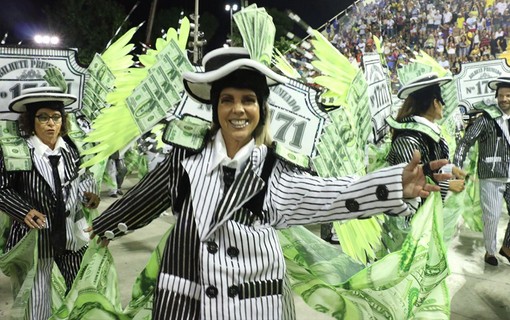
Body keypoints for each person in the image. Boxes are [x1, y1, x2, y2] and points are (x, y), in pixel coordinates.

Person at [88, 47, 449, 319]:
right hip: (185, 301)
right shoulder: (185, 158)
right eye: (227, 100)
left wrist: (391, 185)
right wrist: (98, 228)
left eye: (248, 100)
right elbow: (141, 200)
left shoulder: (272, 169)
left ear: (261, 109)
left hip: (254, 306)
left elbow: (327, 194)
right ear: (215, 109)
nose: (238, 109)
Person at [0, 87, 100, 319]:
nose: (50, 123)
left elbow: (84, 176)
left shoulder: (71, 149)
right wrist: (23, 210)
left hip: (72, 236)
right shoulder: (18, 151)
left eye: (55, 117)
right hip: (35, 239)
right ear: (30, 120)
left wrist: (91, 193)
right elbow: (2, 188)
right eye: (42, 117)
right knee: (36, 302)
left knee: (79, 295)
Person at [453, 75, 510, 266]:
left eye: (508, 95)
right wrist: (457, 166)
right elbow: (465, 142)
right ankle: (490, 252)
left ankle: (507, 246)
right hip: (491, 175)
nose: (504, 99)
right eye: (501, 95)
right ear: (496, 97)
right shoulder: (486, 119)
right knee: (492, 217)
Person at [387, 72, 466, 202]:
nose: (443, 106)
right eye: (442, 102)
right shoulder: (409, 139)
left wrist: (450, 169)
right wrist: (448, 185)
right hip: (410, 214)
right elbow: (407, 180)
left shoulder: (429, 133)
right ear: (435, 103)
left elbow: (428, 166)